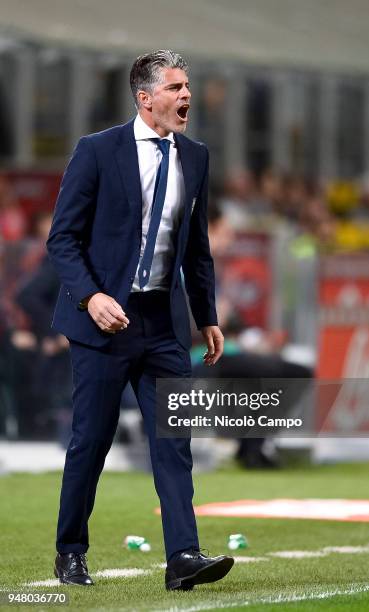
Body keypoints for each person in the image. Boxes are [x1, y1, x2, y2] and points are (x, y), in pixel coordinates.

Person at [47, 50, 233, 590]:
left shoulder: (195, 156)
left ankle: (183, 558)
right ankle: (71, 551)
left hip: (162, 324)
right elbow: (62, 238)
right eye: (175, 88)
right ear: (145, 98)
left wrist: (206, 315)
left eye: (188, 86)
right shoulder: (97, 151)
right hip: (103, 323)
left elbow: (196, 247)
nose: (187, 96)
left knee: (174, 442)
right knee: (91, 441)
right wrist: (90, 297)